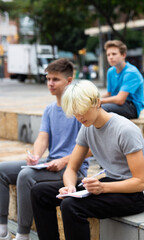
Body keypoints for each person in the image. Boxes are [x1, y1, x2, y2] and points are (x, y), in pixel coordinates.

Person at [30, 80, 144, 240]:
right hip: (110, 182)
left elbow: (140, 182)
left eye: (82, 110)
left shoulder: (125, 130)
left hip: (135, 195)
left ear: (97, 102)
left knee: (71, 206)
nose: (79, 116)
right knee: (39, 192)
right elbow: (71, 169)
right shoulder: (87, 128)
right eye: (75, 112)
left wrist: (102, 187)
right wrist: (70, 188)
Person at [0, 59, 89, 240]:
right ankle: (2, 228)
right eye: (48, 79)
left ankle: (22, 234)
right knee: (2, 170)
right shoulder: (49, 110)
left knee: (26, 176)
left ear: (69, 81)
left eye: (55, 79)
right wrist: (35, 156)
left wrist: (64, 161)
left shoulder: (79, 110)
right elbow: (43, 137)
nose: (50, 83)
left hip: (72, 168)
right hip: (49, 164)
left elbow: (90, 148)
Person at [101, 40, 144, 119]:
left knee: (101, 109)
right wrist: (92, 99)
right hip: (115, 104)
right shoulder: (110, 71)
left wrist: (99, 101)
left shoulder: (131, 72)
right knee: (89, 109)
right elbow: (109, 94)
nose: (110, 57)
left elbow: (120, 99)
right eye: (108, 55)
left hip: (131, 107)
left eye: (114, 54)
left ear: (123, 55)